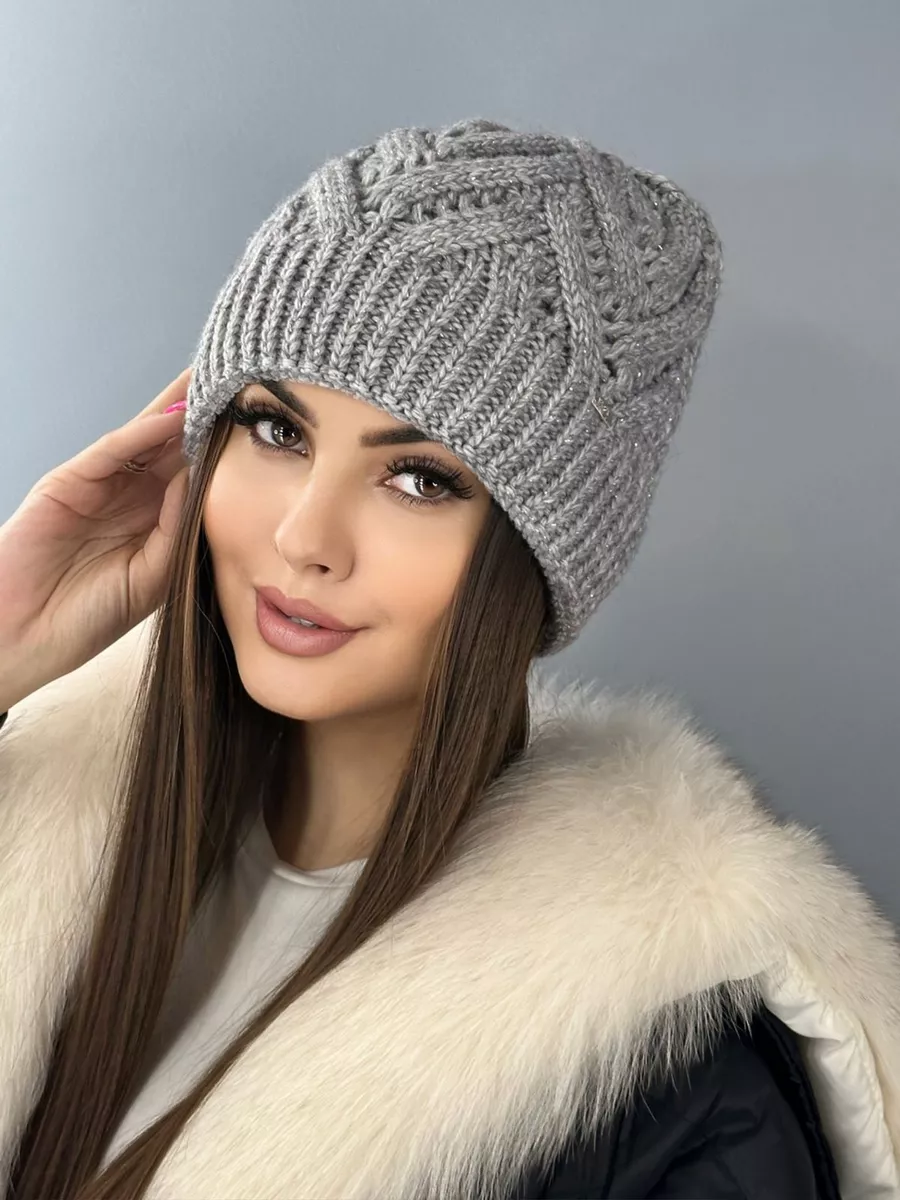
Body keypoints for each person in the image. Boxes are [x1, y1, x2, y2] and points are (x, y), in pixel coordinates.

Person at [0, 117, 897, 1200]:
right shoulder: (58, 812)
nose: (304, 538)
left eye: (421, 480)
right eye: (278, 431)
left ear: (537, 555)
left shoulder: (666, 1086)